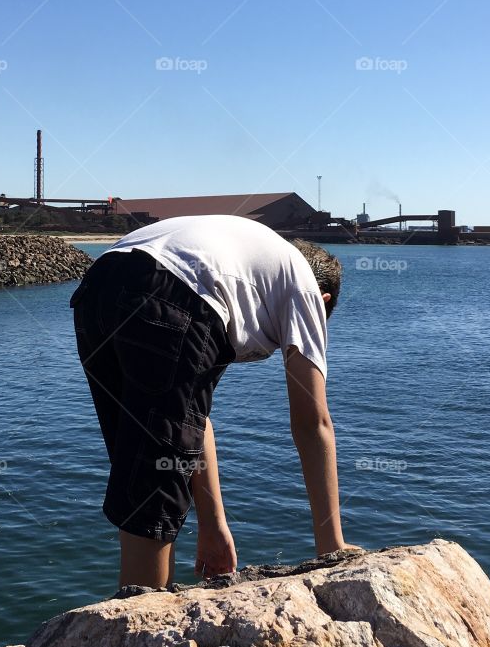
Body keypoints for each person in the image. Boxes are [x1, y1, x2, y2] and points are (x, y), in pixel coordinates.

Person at [69, 213, 349, 589]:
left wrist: (213, 526)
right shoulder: (303, 287)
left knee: (140, 470)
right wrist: (331, 550)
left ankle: (134, 613)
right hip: (168, 292)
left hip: (99, 287)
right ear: (323, 300)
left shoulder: (248, 266)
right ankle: (139, 634)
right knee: (154, 489)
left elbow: (193, 418)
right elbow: (312, 423)